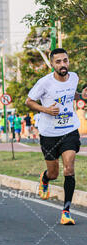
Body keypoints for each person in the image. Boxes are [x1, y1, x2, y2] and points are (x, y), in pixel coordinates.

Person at [25, 48, 87, 225]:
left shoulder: (74, 77)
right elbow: (28, 101)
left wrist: (81, 95)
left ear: (69, 61)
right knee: (54, 173)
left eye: (65, 60)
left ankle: (66, 211)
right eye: (58, 62)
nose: (63, 64)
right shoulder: (44, 83)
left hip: (69, 130)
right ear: (52, 64)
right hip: (49, 134)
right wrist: (46, 110)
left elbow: (69, 95)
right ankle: (45, 178)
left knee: (69, 168)